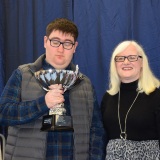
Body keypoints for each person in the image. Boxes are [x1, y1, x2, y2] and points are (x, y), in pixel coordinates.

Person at [0, 18, 106, 160]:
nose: (60, 49)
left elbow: (96, 130)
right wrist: (43, 103)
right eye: (55, 41)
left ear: (75, 47)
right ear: (45, 42)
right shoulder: (23, 74)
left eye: (67, 43)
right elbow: (3, 113)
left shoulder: (84, 84)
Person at [101, 40, 160, 159]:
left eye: (132, 57)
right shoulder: (108, 98)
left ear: (142, 62)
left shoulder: (156, 96)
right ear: (115, 64)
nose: (126, 62)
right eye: (120, 58)